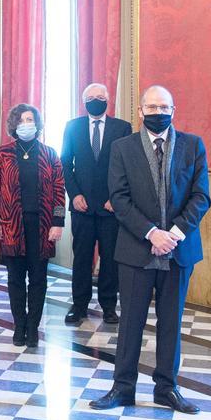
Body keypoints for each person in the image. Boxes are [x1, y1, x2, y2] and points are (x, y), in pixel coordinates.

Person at [90, 85, 211, 415]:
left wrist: (172, 234)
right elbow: (119, 198)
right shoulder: (122, 148)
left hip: (179, 249)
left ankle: (166, 388)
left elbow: (201, 197)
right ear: (140, 112)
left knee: (171, 322)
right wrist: (151, 233)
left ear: (174, 109)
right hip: (135, 249)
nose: (158, 113)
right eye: (152, 107)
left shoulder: (193, 146)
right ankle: (123, 387)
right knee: (130, 321)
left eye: (164, 107)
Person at [0, 104, 66, 349]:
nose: (26, 123)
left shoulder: (50, 154)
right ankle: (19, 325)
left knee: (39, 278)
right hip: (11, 225)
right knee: (15, 279)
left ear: (37, 123)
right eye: (21, 120)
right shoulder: (2, 154)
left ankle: (33, 327)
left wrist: (58, 222)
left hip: (42, 227)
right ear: (14, 124)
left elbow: (59, 190)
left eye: (30, 119)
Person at [60, 83, 133, 325]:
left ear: (108, 99)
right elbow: (65, 164)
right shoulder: (72, 127)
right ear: (83, 101)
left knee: (110, 259)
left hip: (110, 207)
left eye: (100, 97)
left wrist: (117, 197)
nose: (95, 100)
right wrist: (75, 194)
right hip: (81, 207)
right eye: (90, 97)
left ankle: (109, 306)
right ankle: (79, 305)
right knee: (81, 258)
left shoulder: (122, 128)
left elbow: (127, 168)